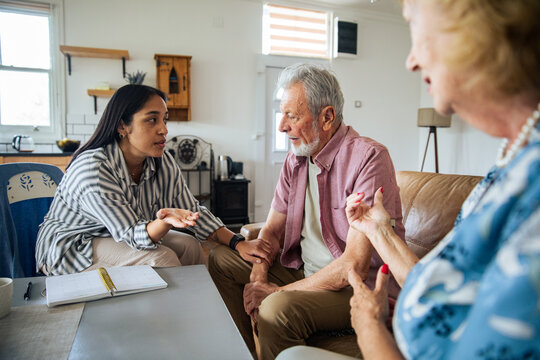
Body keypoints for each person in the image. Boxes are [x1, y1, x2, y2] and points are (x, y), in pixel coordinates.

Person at [278, 0, 540, 359]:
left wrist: (369, 327)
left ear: (481, 36)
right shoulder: (511, 161)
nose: (411, 61)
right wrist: (379, 229)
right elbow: (444, 288)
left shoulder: (532, 188)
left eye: (420, 32)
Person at [208, 63, 405, 359]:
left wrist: (275, 293)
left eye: (292, 116)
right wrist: (259, 278)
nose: (281, 126)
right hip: (305, 271)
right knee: (221, 259)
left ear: (327, 117)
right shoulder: (296, 158)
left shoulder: (369, 158)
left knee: (276, 308)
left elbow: (354, 265)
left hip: (352, 286)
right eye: (282, 114)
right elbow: (272, 230)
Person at [36, 84, 271, 275]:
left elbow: (193, 211)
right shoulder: (94, 168)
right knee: (161, 258)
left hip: (112, 236)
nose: (164, 130)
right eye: (152, 120)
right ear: (122, 126)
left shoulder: (161, 161)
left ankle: (194, 312)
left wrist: (238, 242)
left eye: (165, 120)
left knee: (190, 247)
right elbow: (131, 234)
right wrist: (166, 221)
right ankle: (170, 325)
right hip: (72, 247)